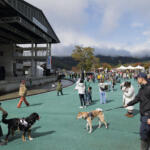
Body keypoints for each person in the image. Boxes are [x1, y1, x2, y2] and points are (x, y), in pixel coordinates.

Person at [124, 73, 150, 150]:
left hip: (147, 116)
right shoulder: (141, 88)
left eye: (138, 78)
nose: (137, 79)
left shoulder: (148, 88)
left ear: (142, 78)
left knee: (143, 134)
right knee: (147, 134)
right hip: (143, 115)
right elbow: (137, 99)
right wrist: (127, 104)